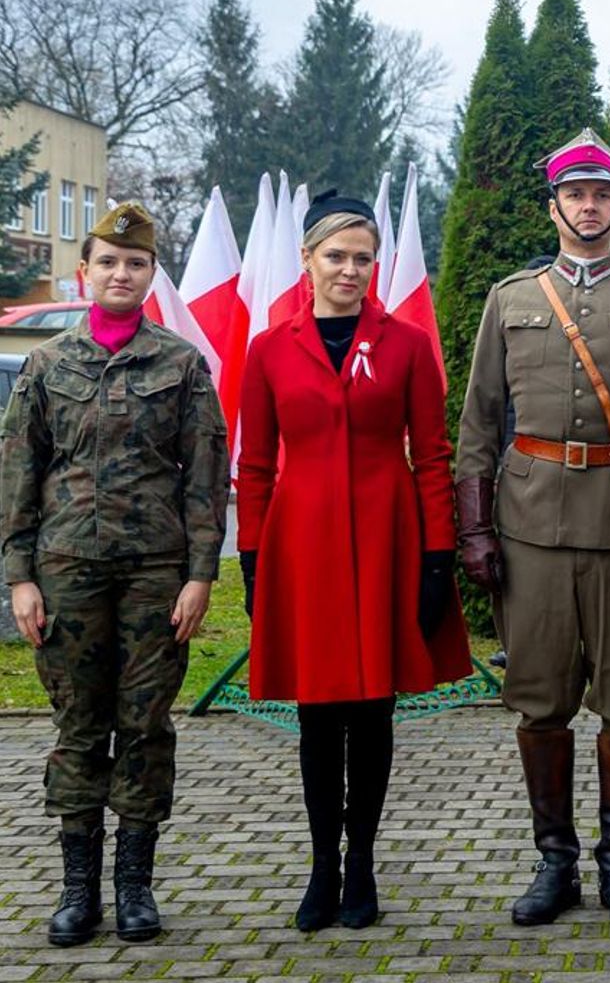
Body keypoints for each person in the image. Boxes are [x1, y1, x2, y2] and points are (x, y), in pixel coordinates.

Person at [455, 129, 610, 928]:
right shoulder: (512, 299)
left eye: (602, 194)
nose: (588, 206)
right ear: (554, 205)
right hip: (530, 528)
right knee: (541, 702)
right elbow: (477, 426)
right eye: (575, 194)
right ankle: (554, 860)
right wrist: (475, 532)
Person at [238, 190, 471, 932]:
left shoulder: (404, 344)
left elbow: (433, 456)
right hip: (300, 546)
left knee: (372, 713)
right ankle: (320, 864)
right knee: (316, 716)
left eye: (362, 257)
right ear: (306, 260)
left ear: (376, 264)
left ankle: (363, 861)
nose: (349, 269)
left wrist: (439, 557)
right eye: (334, 255)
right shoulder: (269, 348)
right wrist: (251, 555)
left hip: (384, 540)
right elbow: (254, 466)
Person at [0, 202, 229, 946]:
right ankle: (77, 889)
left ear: (150, 273)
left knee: (144, 725)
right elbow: (19, 475)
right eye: (108, 261)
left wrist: (202, 574)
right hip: (65, 573)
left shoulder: (182, 364)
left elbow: (204, 478)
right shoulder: (45, 365)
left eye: (134, 263)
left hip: (157, 577)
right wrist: (19, 576)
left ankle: (134, 885)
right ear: (85, 271)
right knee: (77, 725)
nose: (121, 273)